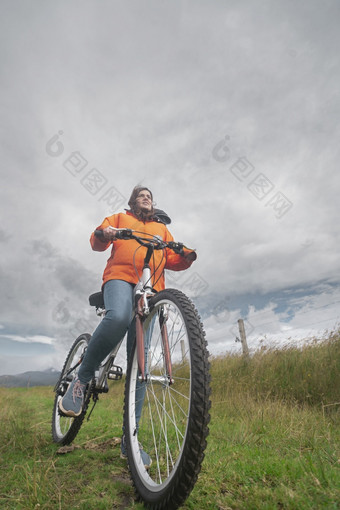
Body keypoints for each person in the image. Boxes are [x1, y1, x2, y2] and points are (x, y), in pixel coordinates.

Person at [59, 185, 197, 466]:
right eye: (140, 196)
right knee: (119, 316)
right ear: (133, 202)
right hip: (120, 278)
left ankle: (129, 439)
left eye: (149, 196)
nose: (146, 199)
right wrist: (104, 233)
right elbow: (97, 240)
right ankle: (82, 378)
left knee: (141, 364)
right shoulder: (120, 219)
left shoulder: (161, 229)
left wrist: (187, 254)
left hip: (150, 288)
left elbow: (173, 258)